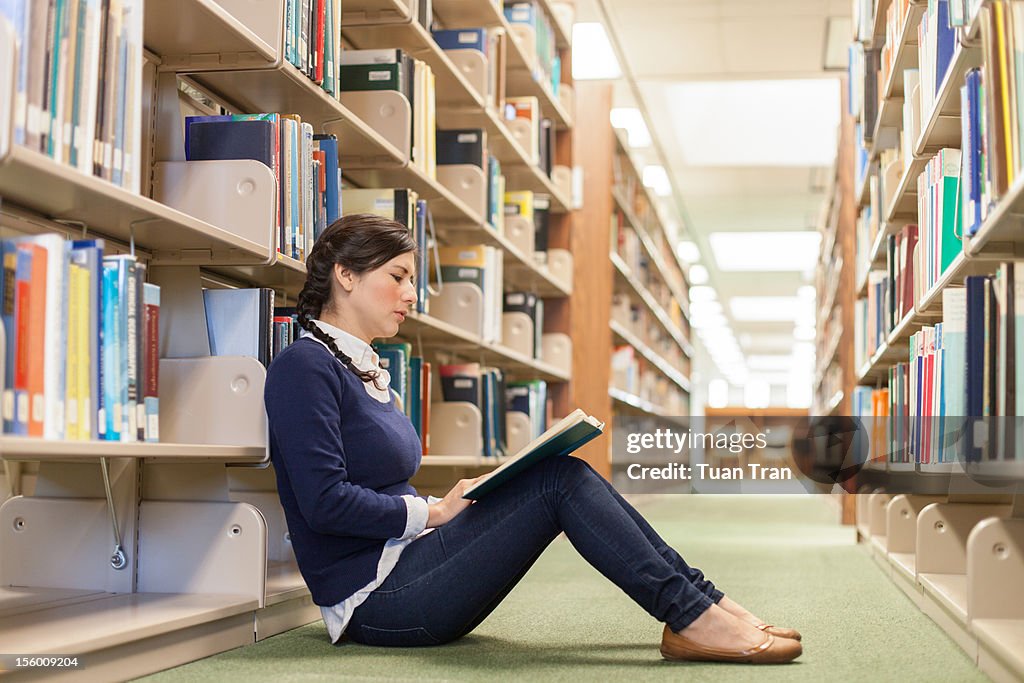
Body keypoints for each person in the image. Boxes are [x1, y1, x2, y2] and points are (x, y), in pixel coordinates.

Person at [264, 214, 804, 664]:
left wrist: (445, 503)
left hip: (408, 561)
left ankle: (704, 603)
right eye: (399, 276)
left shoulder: (362, 368)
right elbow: (324, 502)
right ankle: (694, 617)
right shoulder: (303, 368)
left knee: (557, 471)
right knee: (556, 481)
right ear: (346, 275)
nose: (412, 293)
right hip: (375, 602)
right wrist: (431, 514)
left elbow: (380, 485)